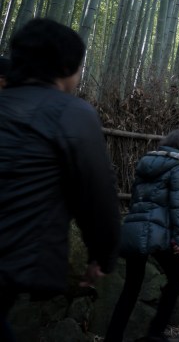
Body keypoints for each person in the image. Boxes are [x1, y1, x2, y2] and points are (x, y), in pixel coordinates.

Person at [0, 19, 121, 340]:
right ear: (67, 68)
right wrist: (102, 255)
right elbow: (97, 194)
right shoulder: (70, 112)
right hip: (10, 257)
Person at [105, 130, 179, 342]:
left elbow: (137, 198)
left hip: (135, 227)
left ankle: (113, 337)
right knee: (176, 277)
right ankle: (155, 332)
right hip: (158, 232)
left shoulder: (145, 163)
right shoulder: (178, 167)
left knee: (131, 286)